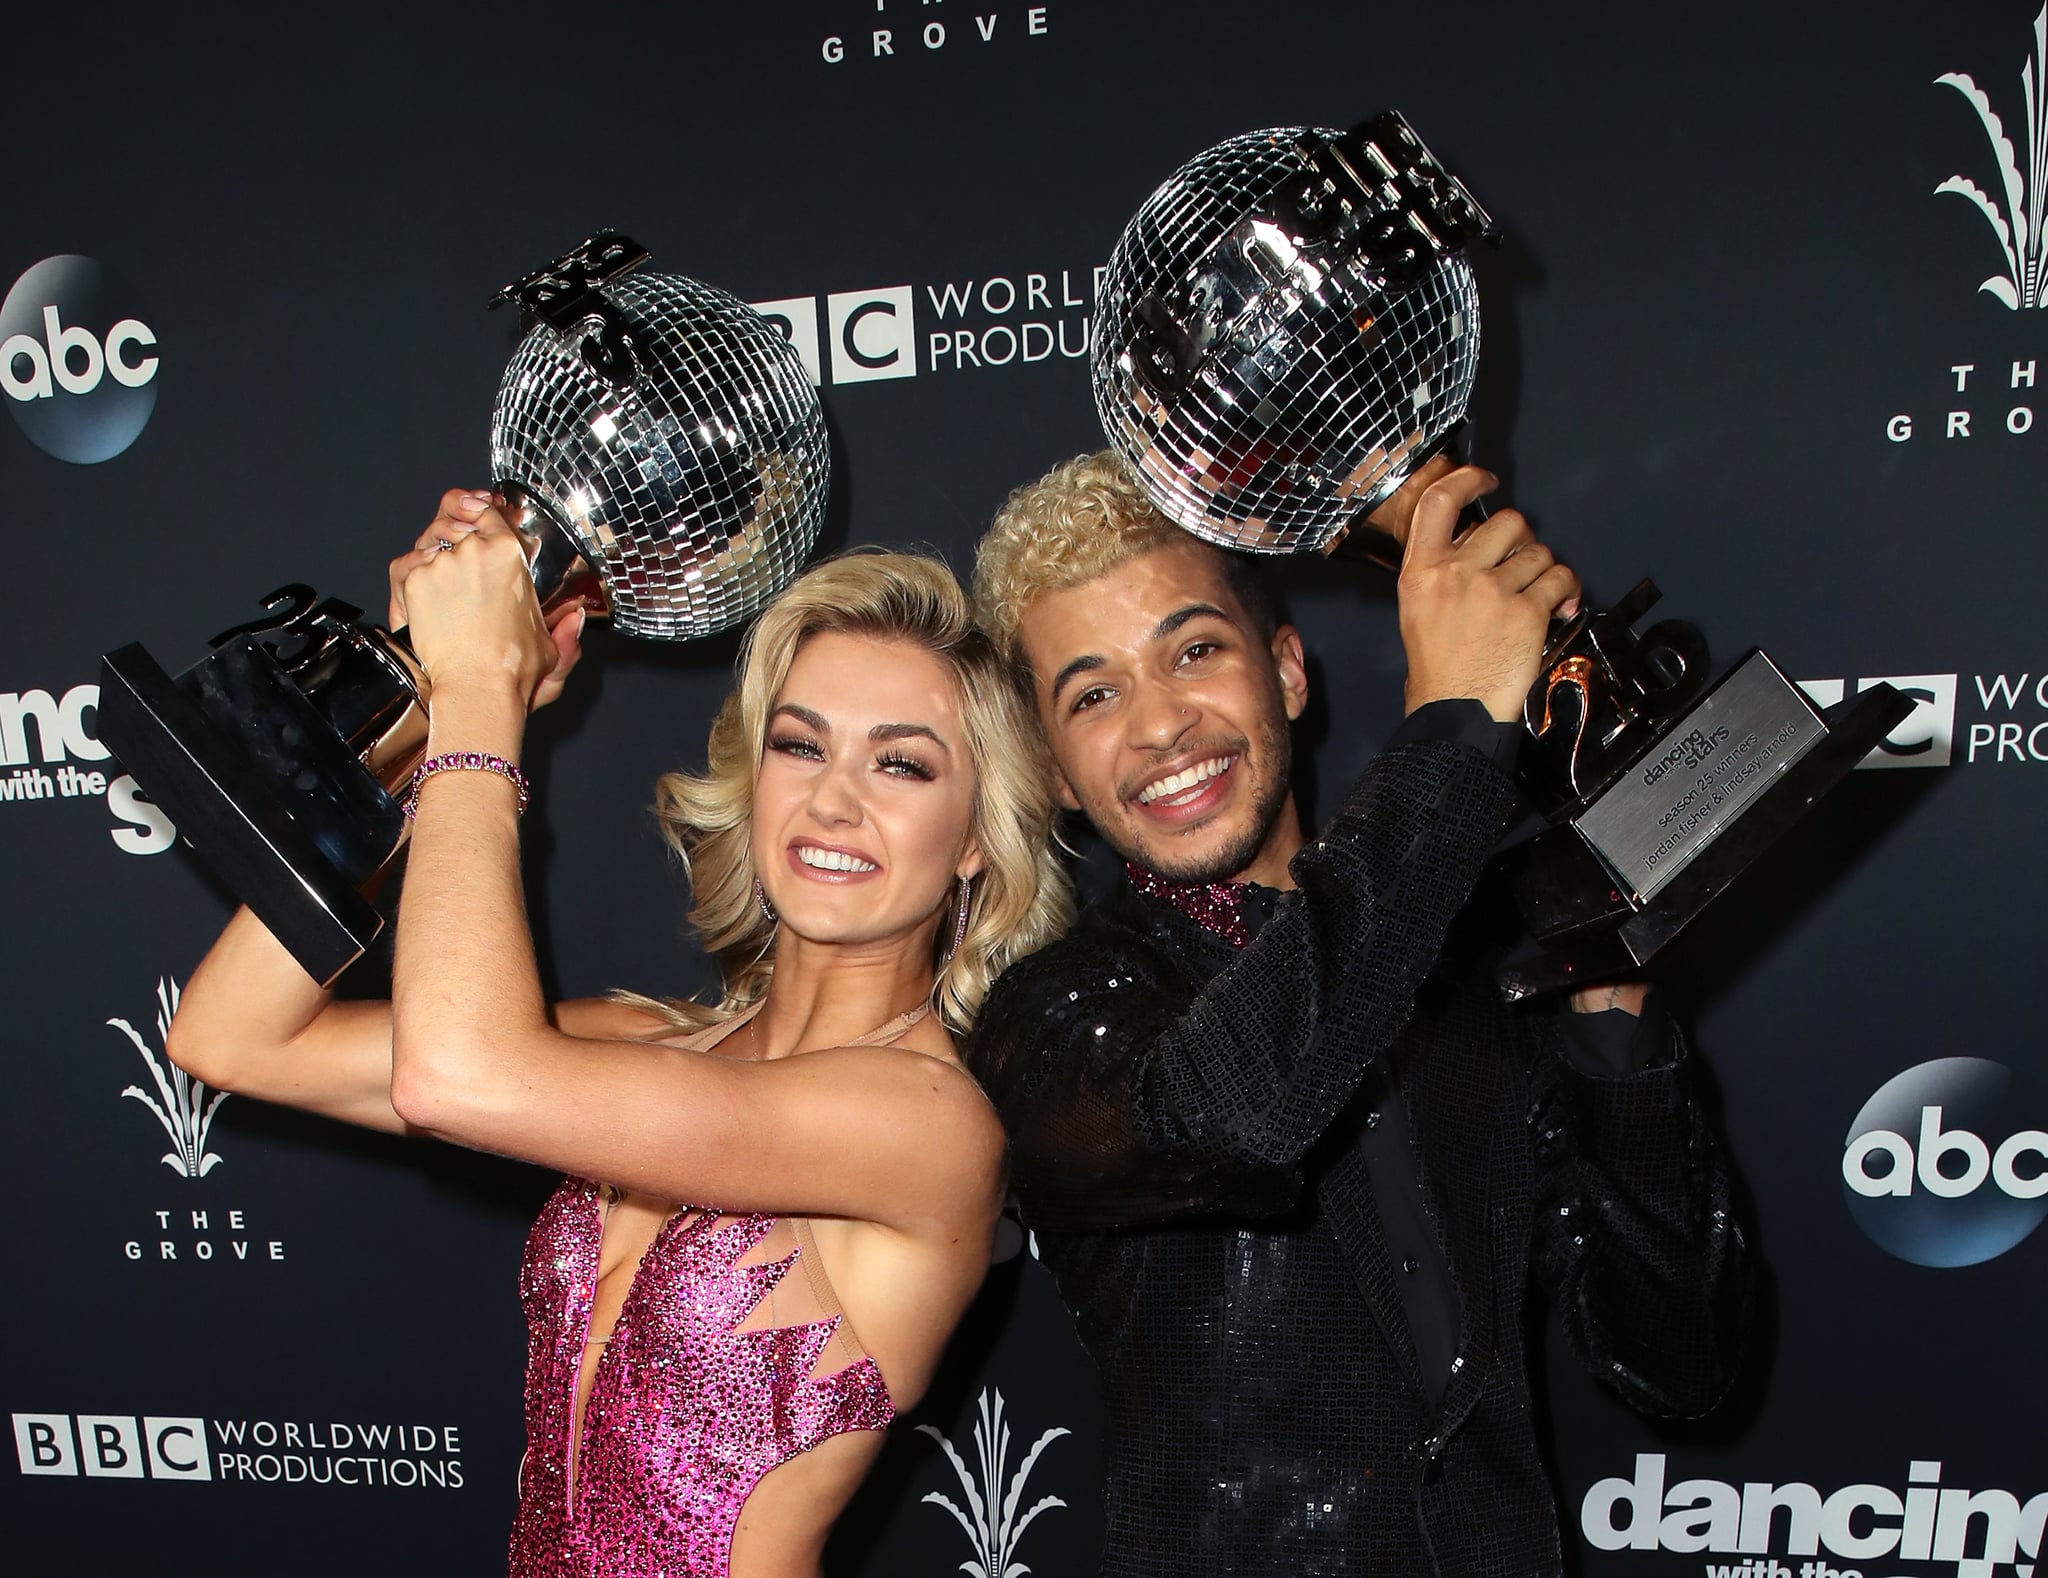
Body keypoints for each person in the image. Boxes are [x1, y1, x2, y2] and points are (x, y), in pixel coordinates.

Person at [166, 492, 1073, 1578]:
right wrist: (415, 713)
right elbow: (230, 1037)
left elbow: (461, 1077)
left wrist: (480, 703)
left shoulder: (926, 1123)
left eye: (901, 764)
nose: (833, 802)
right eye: (799, 745)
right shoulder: (646, 1044)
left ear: (976, 839)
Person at [965, 451, 1754, 1578]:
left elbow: (1677, 1365)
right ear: (1050, 772)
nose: (1158, 727)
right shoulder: (1048, 1018)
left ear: (1285, 669)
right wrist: (1454, 733)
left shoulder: (1471, 967)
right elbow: (1237, 1114)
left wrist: (1609, 1009)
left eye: (1194, 650)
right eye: (1092, 694)